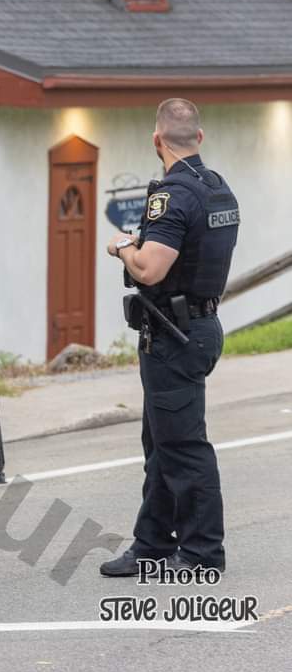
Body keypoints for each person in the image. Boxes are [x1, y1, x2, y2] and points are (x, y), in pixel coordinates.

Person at [101, 98, 239, 577]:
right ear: (199, 137)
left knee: (182, 447)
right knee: (162, 443)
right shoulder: (218, 188)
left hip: (175, 335)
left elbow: (150, 268)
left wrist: (122, 246)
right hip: (198, 326)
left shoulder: (172, 195)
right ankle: (153, 543)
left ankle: (202, 553)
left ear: (156, 140)